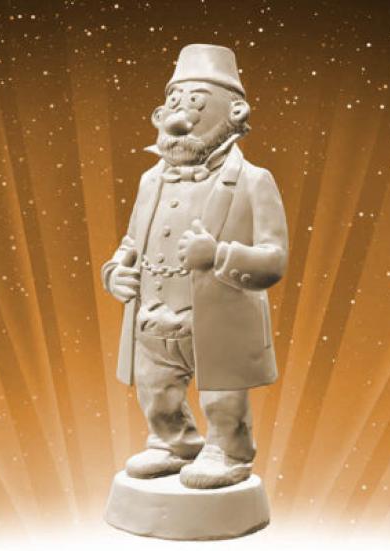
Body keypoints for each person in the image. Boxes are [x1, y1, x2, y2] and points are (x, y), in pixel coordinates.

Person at [101, 44, 288, 489]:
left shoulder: (253, 181)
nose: (179, 115)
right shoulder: (150, 180)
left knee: (223, 399)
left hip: (219, 320)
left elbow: (274, 258)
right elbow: (131, 242)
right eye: (173, 102)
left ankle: (229, 450)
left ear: (235, 111)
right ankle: (172, 442)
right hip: (152, 319)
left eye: (196, 102)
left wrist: (219, 255)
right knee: (156, 390)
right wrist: (115, 270)